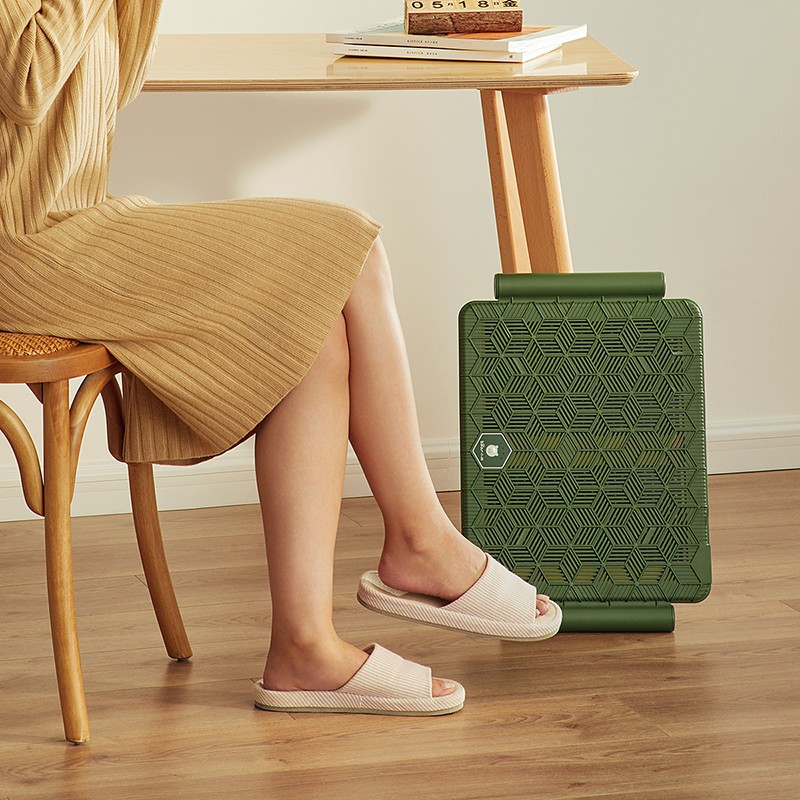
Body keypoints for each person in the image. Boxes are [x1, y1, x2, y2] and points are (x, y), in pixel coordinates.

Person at [0, 0, 560, 717]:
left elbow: (118, 79)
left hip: (77, 217)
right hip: (24, 247)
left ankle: (304, 647)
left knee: (311, 317)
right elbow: (29, 79)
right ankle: (420, 539)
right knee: (349, 250)